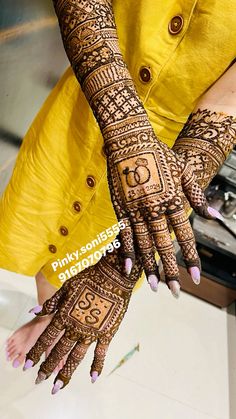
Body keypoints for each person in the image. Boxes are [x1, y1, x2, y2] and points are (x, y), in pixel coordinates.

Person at [3, 0, 236, 384]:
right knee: (41, 228)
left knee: (80, 259)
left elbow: (226, 103)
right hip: (86, 107)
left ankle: (47, 312)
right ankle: (45, 306)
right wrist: (126, 130)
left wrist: (117, 273)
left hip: (169, 159)